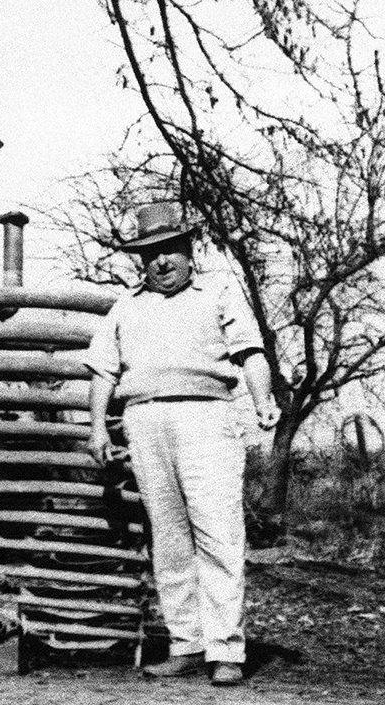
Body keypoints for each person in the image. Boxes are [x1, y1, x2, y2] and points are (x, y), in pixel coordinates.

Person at [84, 202, 281, 687]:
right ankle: (186, 644)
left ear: (188, 251)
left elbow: (251, 353)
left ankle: (226, 649)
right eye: (150, 255)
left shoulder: (217, 291)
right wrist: (96, 429)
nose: (162, 263)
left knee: (216, 531)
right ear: (140, 261)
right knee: (168, 539)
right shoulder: (127, 307)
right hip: (144, 420)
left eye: (170, 251)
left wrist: (263, 400)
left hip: (205, 416)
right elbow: (103, 372)